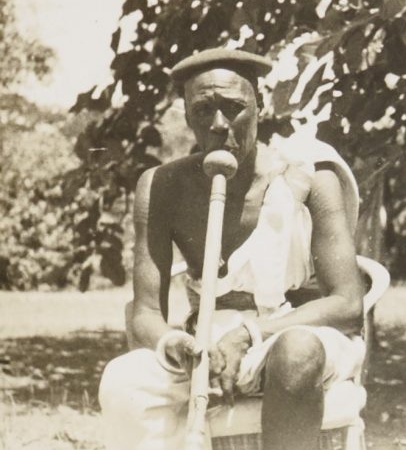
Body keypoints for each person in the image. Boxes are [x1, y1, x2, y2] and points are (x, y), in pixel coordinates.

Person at [98, 48, 366, 450]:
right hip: (204, 341)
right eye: (203, 111)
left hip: (292, 330)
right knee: (124, 380)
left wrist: (248, 335)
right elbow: (145, 315)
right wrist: (179, 346)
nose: (220, 125)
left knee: (296, 354)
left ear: (259, 104)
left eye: (234, 108)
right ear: (187, 117)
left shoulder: (309, 177)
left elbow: (348, 305)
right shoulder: (161, 185)